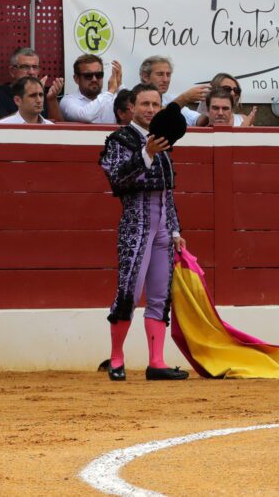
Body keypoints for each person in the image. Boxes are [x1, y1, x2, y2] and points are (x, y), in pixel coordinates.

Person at [99, 83, 189, 382]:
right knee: (129, 293)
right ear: (132, 108)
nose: (150, 109)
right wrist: (146, 154)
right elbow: (117, 179)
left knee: (160, 296)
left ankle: (157, 362)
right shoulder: (120, 139)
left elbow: (167, 192)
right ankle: (116, 357)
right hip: (135, 228)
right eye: (145, 104)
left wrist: (175, 229)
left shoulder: (162, 141)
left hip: (163, 229)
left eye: (155, 104)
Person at [0, 48, 62, 122]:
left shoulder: (42, 95)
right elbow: (3, 126)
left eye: (35, 67)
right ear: (12, 71)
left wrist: (51, 99)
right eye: (25, 67)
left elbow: (58, 129)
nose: (31, 72)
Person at [138, 56, 209, 126]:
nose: (165, 80)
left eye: (168, 75)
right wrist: (185, 98)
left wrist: (211, 105)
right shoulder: (133, 98)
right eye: (160, 74)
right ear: (145, 76)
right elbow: (155, 120)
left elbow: (196, 120)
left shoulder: (170, 99)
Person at [61, 55, 122, 124]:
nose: (94, 79)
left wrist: (119, 86)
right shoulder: (68, 101)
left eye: (99, 75)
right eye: (88, 75)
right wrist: (111, 91)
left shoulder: (111, 98)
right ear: (76, 79)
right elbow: (86, 116)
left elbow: (132, 112)